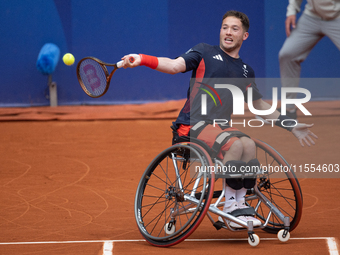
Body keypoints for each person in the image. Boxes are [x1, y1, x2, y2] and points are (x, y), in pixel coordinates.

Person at [121, 10, 317, 228]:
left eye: (234, 29)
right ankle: (230, 207)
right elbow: (175, 65)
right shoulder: (204, 51)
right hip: (191, 127)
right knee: (233, 144)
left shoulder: (245, 71)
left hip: (220, 129)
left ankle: (240, 204)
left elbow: (260, 107)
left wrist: (291, 125)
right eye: (225, 27)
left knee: (249, 144)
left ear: (245, 36)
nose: (228, 32)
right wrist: (141, 59)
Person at [279, 0, 340, 119]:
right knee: (288, 54)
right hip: (311, 17)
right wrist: (292, 11)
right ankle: (289, 109)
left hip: (337, 17)